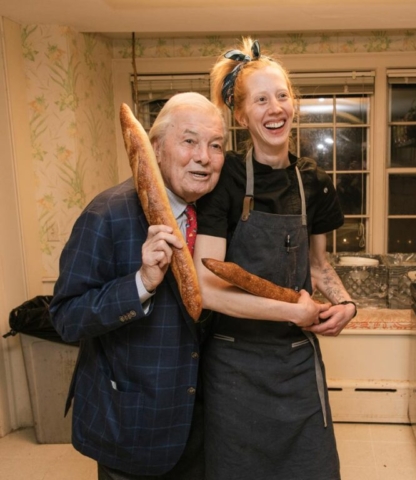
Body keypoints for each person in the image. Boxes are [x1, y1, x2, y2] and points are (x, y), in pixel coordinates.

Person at [193, 38, 357, 480]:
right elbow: (206, 289)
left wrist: (346, 305)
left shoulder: (314, 182)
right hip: (234, 365)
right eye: (260, 99)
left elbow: (320, 267)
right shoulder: (223, 178)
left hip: (296, 363)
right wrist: (292, 310)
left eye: (282, 96)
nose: (275, 108)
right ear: (241, 115)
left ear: (295, 104)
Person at [49, 92, 226, 479]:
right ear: (156, 147)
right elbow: (65, 317)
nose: (205, 157)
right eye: (190, 141)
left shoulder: (217, 216)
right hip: (131, 423)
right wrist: (141, 283)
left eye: (216, 145)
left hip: (201, 425)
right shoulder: (107, 214)